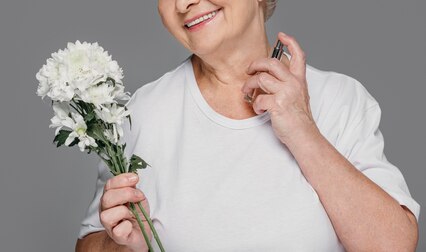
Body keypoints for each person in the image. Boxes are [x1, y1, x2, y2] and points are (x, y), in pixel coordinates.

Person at [75, 0, 420, 251]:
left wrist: (302, 129)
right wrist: (123, 245)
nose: (184, 3)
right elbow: (92, 243)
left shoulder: (341, 99)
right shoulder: (139, 114)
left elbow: (393, 246)